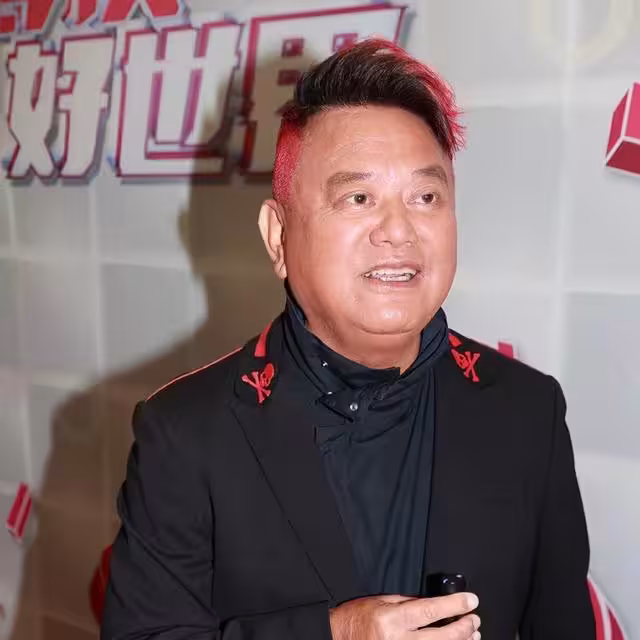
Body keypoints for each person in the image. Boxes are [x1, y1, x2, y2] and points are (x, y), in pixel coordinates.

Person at [102, 39, 595, 640]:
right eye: (358, 198)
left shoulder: (526, 410)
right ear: (277, 237)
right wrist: (333, 634)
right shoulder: (186, 431)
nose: (398, 231)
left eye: (426, 197)